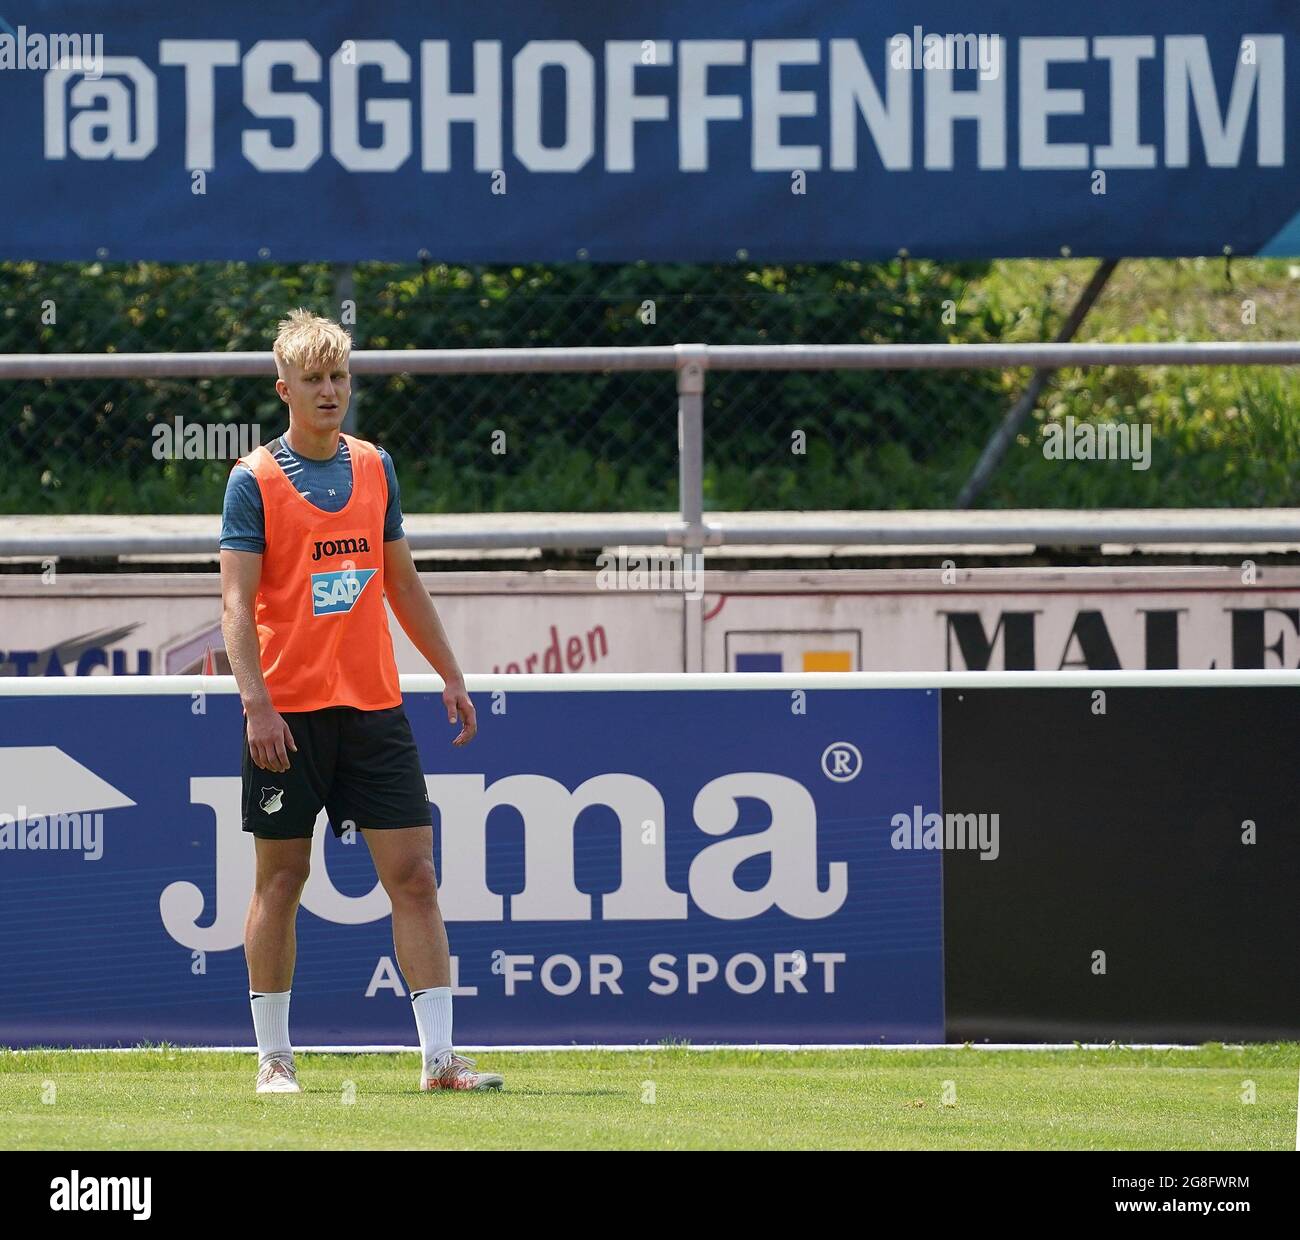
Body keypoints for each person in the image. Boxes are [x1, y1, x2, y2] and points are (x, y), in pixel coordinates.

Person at [219, 308, 501, 1094]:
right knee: (281, 881)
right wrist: (256, 706)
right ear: (284, 389)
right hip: (288, 715)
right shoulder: (254, 481)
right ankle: (274, 1060)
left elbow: (401, 581)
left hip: (375, 709)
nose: (329, 390)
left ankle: (440, 1062)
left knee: (414, 878)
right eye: (313, 379)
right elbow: (237, 608)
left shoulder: (375, 467)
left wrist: (449, 672)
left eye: (339, 376)